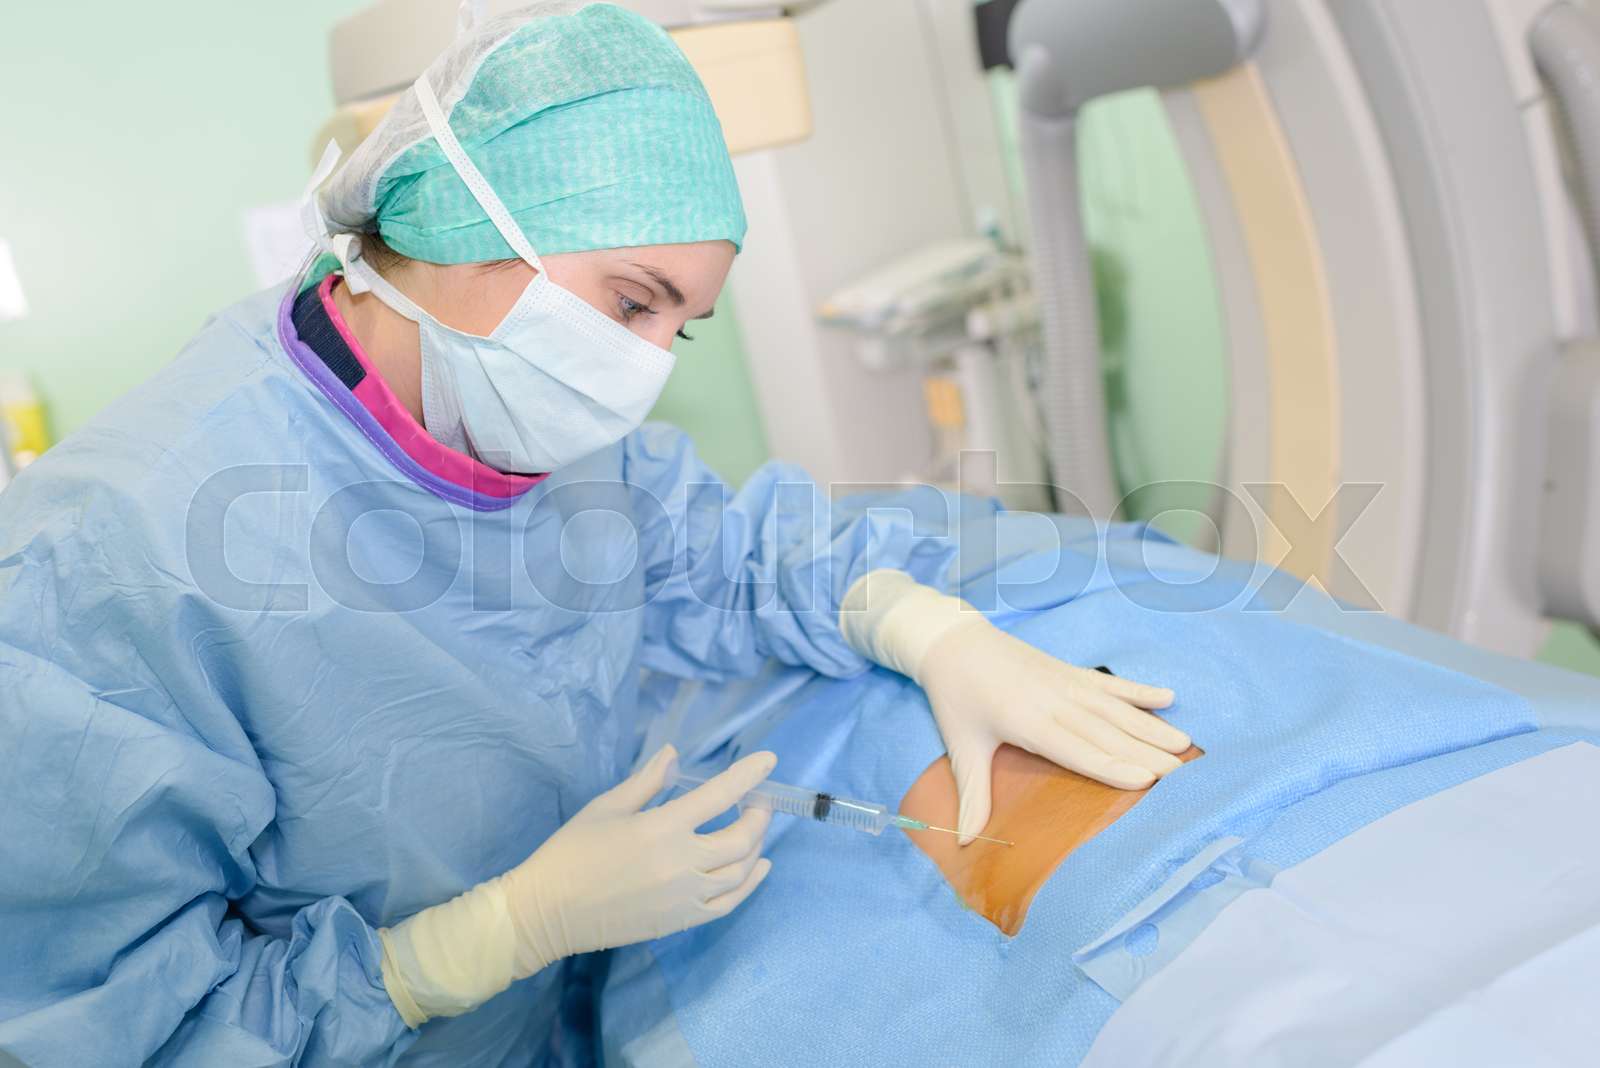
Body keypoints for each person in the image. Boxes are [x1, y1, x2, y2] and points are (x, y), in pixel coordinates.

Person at [0, 3, 1189, 1065]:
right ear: (461, 218)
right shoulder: (107, 566)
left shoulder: (538, 428)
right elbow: (105, 1031)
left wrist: (925, 627)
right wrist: (467, 949)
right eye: (630, 301)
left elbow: (725, 554)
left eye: (679, 329)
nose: (637, 370)